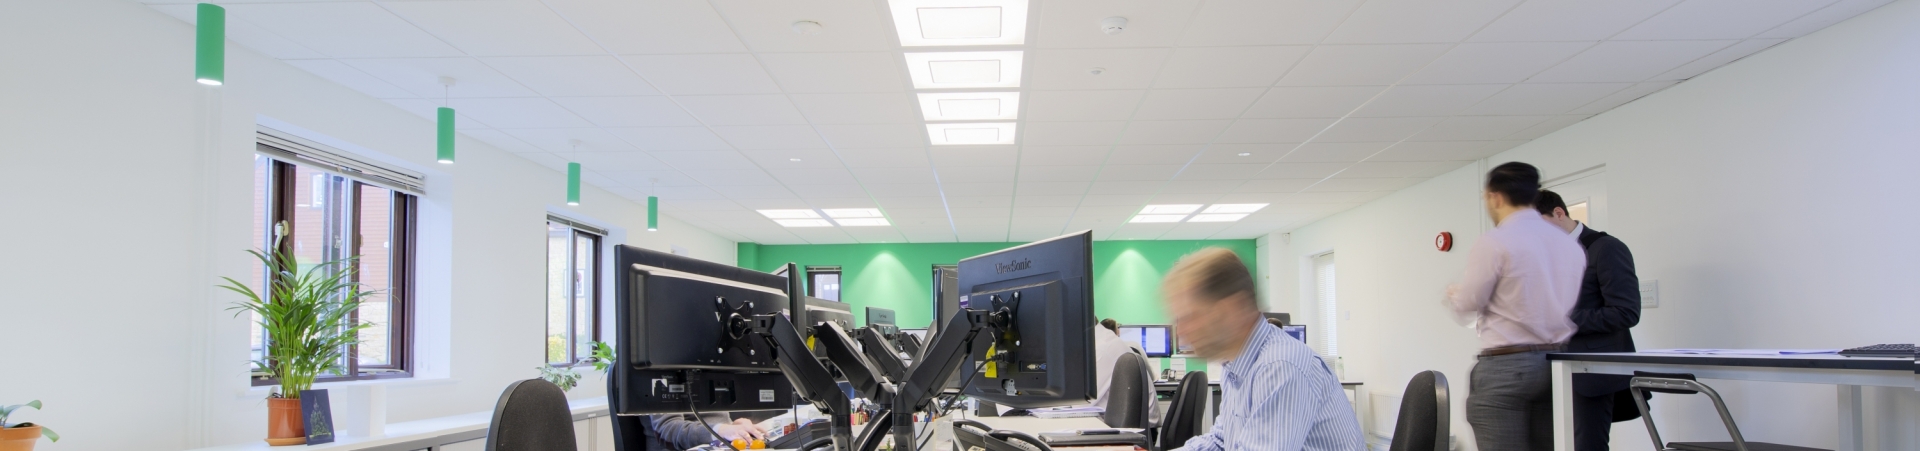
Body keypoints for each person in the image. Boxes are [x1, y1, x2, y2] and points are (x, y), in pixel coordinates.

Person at [1443, 162, 1586, 451]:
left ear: (1495, 197)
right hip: (1555, 364)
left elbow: (1470, 303)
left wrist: (1456, 294)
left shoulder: (1496, 241)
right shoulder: (1569, 245)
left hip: (1507, 368)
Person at [1163, 248, 1363, 451]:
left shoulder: (1280, 367)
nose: (1181, 332)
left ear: (1231, 309)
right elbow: (1220, 441)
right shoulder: (1235, 365)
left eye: (1191, 317)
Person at [1535, 190, 1643, 451]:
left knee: (1586, 446)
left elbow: (1626, 312)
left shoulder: (1606, 248)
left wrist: (1561, 320)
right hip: (1543, 370)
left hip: (1588, 373)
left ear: (1558, 213)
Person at [638, 414, 767, 451]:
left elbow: (716, 422)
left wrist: (734, 427)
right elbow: (668, 431)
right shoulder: (660, 366)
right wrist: (721, 430)